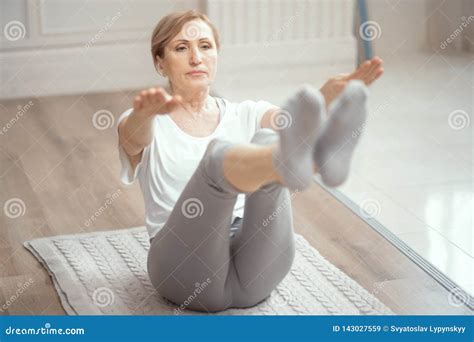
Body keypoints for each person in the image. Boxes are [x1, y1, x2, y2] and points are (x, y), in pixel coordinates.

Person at [117, 10, 384, 312]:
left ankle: (312, 155)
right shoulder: (148, 122)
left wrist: (324, 97)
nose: (196, 57)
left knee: (271, 139)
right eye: (181, 48)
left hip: (257, 271)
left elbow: (290, 124)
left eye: (205, 46)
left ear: (217, 54)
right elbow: (133, 137)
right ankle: (309, 161)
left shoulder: (246, 113)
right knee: (217, 159)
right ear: (159, 62)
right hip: (183, 270)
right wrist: (144, 113)